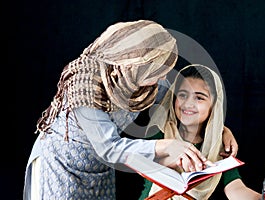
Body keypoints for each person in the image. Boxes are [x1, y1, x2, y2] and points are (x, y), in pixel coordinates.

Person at [23, 20, 238, 199]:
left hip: (98, 169)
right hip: (60, 166)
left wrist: (220, 129)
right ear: (137, 62)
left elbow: (183, 106)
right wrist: (166, 146)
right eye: (159, 69)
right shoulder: (85, 85)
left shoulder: (142, 81)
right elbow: (109, 147)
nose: (164, 77)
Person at [139, 64, 262, 200]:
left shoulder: (219, 145)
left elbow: (235, 188)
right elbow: (140, 162)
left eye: (199, 98)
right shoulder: (160, 133)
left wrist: (263, 197)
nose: (188, 104)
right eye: (182, 95)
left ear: (214, 105)